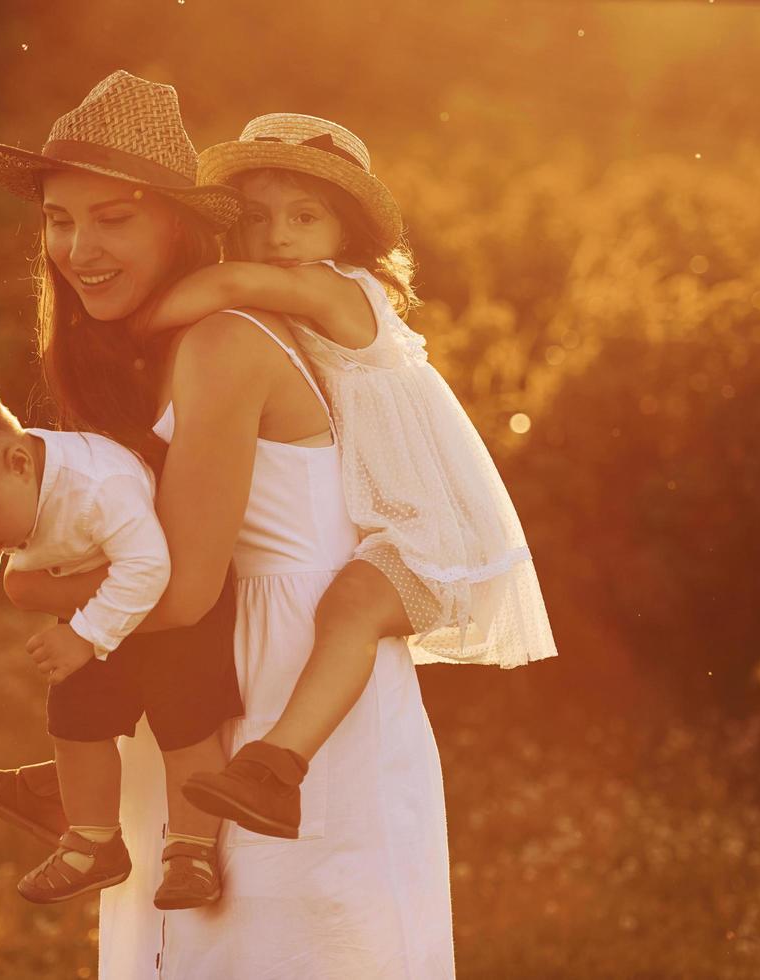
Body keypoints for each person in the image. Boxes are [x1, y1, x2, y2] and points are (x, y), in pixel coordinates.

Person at [0, 70, 456, 976]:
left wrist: (37, 587)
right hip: (191, 694)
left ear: (184, 223)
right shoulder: (137, 352)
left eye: (114, 217)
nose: (80, 247)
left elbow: (184, 586)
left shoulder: (224, 343)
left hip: (284, 694)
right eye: (61, 220)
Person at [139, 113, 558, 839]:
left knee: (351, 610)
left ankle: (277, 770)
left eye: (305, 217)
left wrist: (126, 326)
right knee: (328, 610)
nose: (278, 237)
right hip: (388, 526)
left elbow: (227, 281)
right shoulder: (286, 301)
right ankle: (89, 773)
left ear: (349, 236)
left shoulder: (344, 290)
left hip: (436, 535)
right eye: (258, 218)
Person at [0, 373, 239, 910]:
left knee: (186, 723)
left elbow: (149, 566)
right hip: (91, 607)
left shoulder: (97, 487)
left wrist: (85, 636)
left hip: (167, 612)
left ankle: (192, 850)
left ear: (20, 463)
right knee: (74, 719)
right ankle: (94, 841)